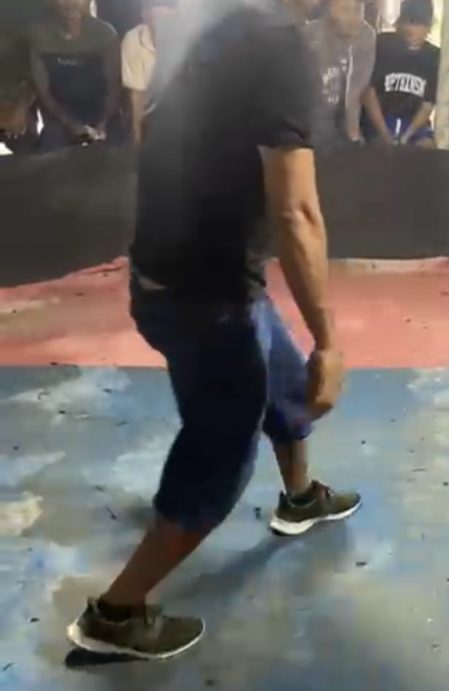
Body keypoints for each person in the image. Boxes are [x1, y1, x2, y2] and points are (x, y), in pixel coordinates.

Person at [65, 0, 359, 659]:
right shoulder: (282, 48)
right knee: (220, 455)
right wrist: (331, 341)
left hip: (181, 275)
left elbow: (162, 134)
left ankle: (300, 497)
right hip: (205, 296)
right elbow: (297, 211)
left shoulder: (231, 28)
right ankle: (116, 614)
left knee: (282, 377)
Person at [30, 0, 123, 151]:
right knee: (49, 157)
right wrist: (69, 124)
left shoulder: (105, 34)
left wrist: (102, 123)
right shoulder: (41, 36)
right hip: (59, 116)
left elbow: (114, 85)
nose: (71, 3)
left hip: (102, 112)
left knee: (115, 157)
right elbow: (43, 91)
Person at [363, 0, 440, 147]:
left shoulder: (433, 57)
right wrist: (385, 134)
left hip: (413, 124)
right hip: (381, 120)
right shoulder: (383, 44)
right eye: (408, 22)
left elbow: (427, 105)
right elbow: (369, 94)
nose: (412, 30)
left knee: (427, 146)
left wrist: (406, 137)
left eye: (419, 24)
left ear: (428, 26)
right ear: (400, 22)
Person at [303, 0, 376, 148]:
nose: (354, 18)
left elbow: (357, 87)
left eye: (358, 10)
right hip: (311, 128)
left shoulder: (366, 35)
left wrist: (353, 133)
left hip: (345, 128)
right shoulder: (309, 35)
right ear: (331, 7)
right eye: (346, 10)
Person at [121, 0, 179, 145]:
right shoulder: (133, 40)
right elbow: (137, 95)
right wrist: (138, 138)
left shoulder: (189, 37)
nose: (161, 26)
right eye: (155, 20)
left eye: (166, 21)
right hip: (150, 112)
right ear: (144, 15)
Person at [0, 30, 38, 154]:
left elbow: (32, 83)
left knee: (27, 145)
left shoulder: (14, 45)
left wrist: (20, 110)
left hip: (14, 110)